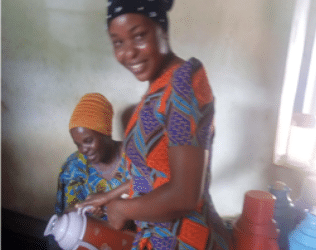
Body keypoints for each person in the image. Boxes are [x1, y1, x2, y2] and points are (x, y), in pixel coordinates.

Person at [77, 1, 232, 249]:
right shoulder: (157, 89)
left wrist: (122, 209)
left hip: (184, 239)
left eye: (138, 36)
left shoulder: (183, 83)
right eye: (118, 42)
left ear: (163, 30)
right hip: (156, 234)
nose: (128, 53)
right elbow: (155, 175)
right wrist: (110, 196)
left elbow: (184, 195)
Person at [55, 93, 131, 218]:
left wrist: (107, 198)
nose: (83, 150)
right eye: (77, 144)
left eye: (88, 141)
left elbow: (148, 183)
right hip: (91, 234)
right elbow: (66, 215)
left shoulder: (133, 155)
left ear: (106, 134)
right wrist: (87, 211)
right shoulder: (74, 166)